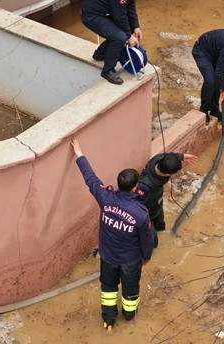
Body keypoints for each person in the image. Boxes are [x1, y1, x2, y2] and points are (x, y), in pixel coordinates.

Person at [70, 138, 155, 331]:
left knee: (108, 289)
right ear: (135, 188)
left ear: (118, 184)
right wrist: (146, 258)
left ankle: (108, 319)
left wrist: (79, 154)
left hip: (108, 257)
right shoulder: (140, 213)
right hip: (130, 261)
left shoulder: (105, 197)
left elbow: (90, 179)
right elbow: (147, 240)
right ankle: (129, 316)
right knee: (130, 290)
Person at [81, 0, 160, 85]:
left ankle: (100, 54)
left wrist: (136, 26)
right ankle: (107, 71)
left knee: (121, 32)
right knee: (120, 37)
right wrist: (129, 36)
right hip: (92, 15)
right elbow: (120, 15)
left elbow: (130, 4)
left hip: (105, 11)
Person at [136, 152, 198, 247]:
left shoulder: (158, 159)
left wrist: (181, 156)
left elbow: (168, 155)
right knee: (153, 241)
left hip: (157, 204)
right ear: (168, 174)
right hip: (147, 212)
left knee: (161, 226)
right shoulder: (144, 186)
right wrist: (146, 220)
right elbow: (139, 206)